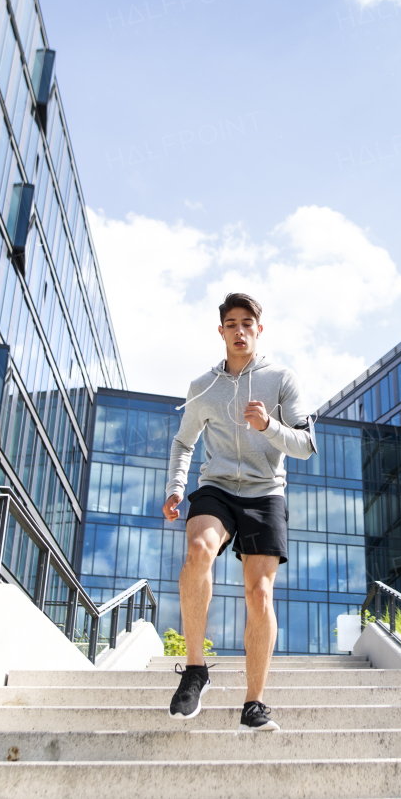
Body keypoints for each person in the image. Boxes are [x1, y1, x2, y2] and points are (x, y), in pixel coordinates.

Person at [162, 292, 316, 731]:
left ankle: (254, 702)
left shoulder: (282, 379)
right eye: (232, 323)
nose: (240, 330)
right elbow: (183, 442)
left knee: (259, 594)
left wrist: (268, 426)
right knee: (197, 550)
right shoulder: (203, 387)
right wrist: (176, 488)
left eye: (247, 323)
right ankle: (195, 670)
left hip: (266, 493)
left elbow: (306, 446)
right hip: (217, 487)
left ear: (258, 330)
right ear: (222, 331)